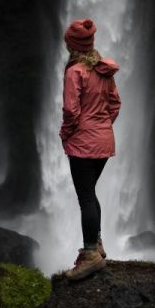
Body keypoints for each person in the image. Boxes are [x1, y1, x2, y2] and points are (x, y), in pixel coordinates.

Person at [59, 18, 121, 281]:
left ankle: (90, 256)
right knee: (90, 193)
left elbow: (71, 110)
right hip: (104, 140)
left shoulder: (75, 72)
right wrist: (102, 126)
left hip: (83, 143)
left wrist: (66, 133)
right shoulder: (104, 70)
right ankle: (96, 244)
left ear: (71, 45)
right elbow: (115, 104)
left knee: (85, 197)